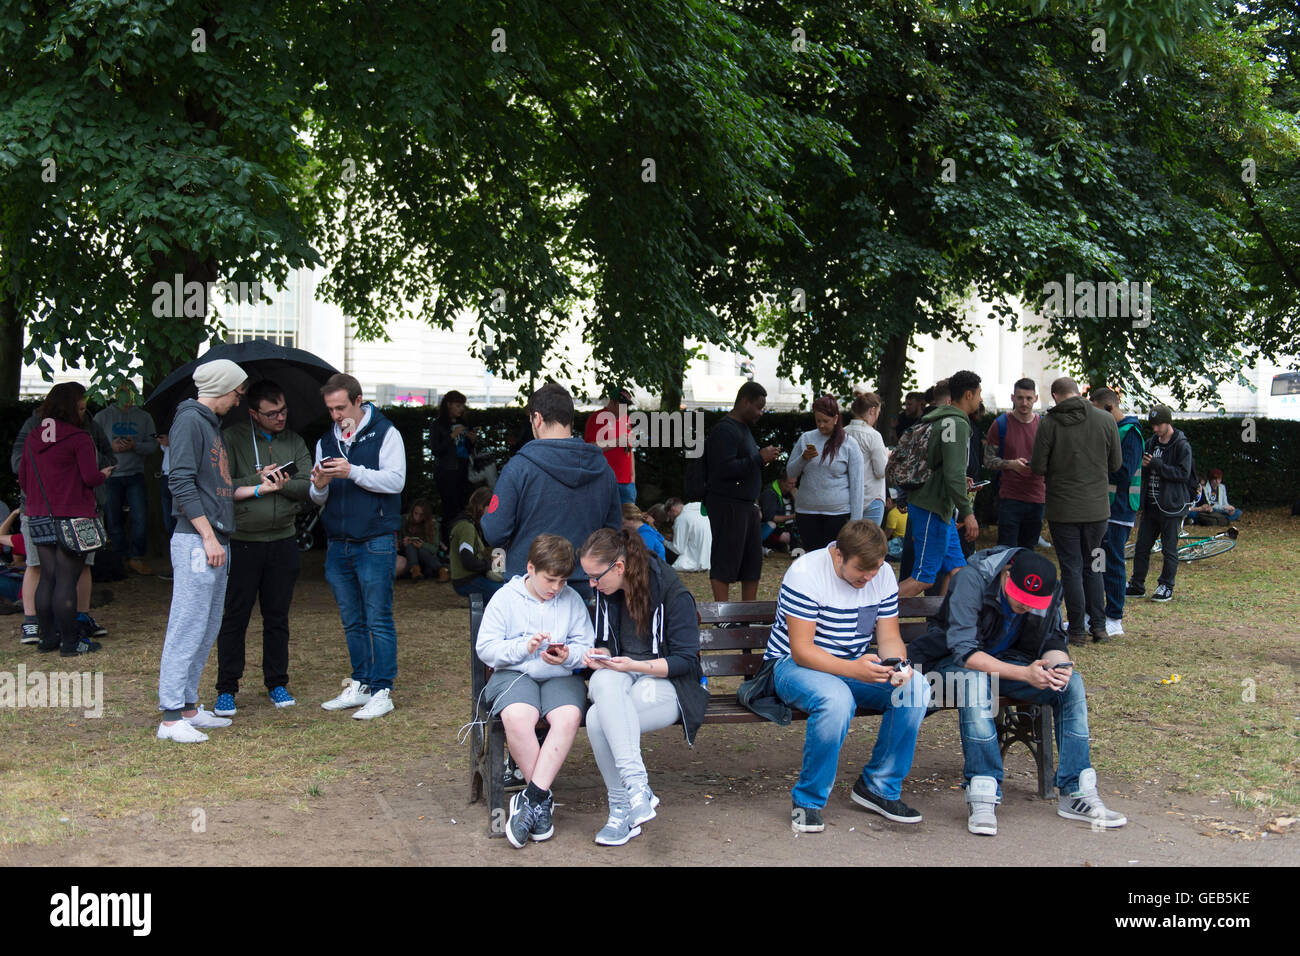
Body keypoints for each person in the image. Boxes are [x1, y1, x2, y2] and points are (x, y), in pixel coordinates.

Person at [907, 547, 1127, 835]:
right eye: (1020, 599)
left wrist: (1059, 665)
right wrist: (1025, 674)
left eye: (1033, 603)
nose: (1026, 607)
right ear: (1006, 574)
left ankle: (1077, 793)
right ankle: (983, 791)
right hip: (948, 663)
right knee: (973, 682)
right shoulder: (971, 580)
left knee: (1071, 685)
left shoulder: (1050, 588)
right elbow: (964, 652)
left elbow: (1054, 638)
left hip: (1009, 663)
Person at [761, 519, 929, 831]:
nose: (869, 577)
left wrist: (897, 664)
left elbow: (889, 634)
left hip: (853, 664)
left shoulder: (881, 575)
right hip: (792, 666)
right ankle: (808, 800)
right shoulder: (806, 573)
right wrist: (855, 670)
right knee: (836, 699)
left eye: (875, 569)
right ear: (838, 556)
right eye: (861, 570)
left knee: (916, 688)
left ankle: (879, 786)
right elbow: (801, 650)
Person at [158, 360, 281, 742]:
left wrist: (259, 486)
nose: (238, 398)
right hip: (199, 541)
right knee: (187, 625)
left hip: (214, 539)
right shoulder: (190, 422)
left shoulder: (209, 425)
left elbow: (219, 489)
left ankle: (189, 707)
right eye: (238, 391)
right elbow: (179, 481)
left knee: (207, 625)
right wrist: (208, 537)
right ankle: (169, 717)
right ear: (223, 388)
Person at [578, 526, 708, 846]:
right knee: (603, 682)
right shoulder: (608, 594)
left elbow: (686, 662)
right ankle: (636, 791)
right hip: (624, 680)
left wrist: (635, 666)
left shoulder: (670, 592)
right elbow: (608, 644)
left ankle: (623, 806)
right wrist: (602, 655)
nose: (592, 584)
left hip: (670, 684)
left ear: (619, 567)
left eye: (596, 577)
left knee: (597, 719)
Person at [475, 534, 595, 848]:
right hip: (514, 674)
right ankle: (541, 803)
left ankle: (532, 800)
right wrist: (521, 647)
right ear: (530, 568)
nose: (556, 588)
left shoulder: (571, 599)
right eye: (550, 580)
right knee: (517, 716)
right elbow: (486, 649)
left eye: (563, 581)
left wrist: (567, 655)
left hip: (559, 675)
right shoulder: (506, 597)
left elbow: (587, 647)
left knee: (568, 716)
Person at [212, 379, 314, 717]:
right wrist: (259, 481)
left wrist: (278, 485)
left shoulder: (295, 440)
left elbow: (305, 486)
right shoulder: (232, 438)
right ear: (254, 413)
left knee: (277, 617)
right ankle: (226, 688)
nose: (280, 417)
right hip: (243, 541)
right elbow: (222, 484)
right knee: (235, 617)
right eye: (272, 413)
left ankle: (277, 682)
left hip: (283, 539)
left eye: (283, 410)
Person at [311, 373, 407, 719]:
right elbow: (317, 496)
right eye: (330, 409)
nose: (335, 415)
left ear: (358, 400)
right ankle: (361, 683)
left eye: (340, 407)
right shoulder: (327, 440)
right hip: (338, 542)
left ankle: (383, 689)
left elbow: (396, 481)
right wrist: (320, 484)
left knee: (378, 618)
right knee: (352, 620)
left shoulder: (386, 432)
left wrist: (352, 471)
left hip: (376, 539)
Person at [480, 382, 621, 603]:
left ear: (536, 418)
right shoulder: (604, 470)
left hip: (528, 588)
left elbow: (495, 532)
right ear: (570, 420)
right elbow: (612, 535)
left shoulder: (519, 468)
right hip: (584, 589)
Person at [18, 383, 114, 655]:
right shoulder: (79, 438)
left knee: (47, 578)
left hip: (39, 515)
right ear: (70, 408)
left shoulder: (34, 436)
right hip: (75, 517)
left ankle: (47, 639)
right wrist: (104, 474)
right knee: (67, 581)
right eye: (81, 408)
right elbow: (90, 478)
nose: (84, 414)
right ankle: (71, 643)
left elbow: (23, 479)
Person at [1029, 377, 1121, 643]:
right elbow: (1116, 464)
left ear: (1056, 395)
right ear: (1079, 392)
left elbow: (1037, 467)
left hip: (1063, 509)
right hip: (1097, 510)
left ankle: (1078, 630)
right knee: (1095, 565)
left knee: (1071, 567)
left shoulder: (1049, 424)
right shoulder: (1105, 420)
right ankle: (1100, 627)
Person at [897, 371, 981, 599]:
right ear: (968, 394)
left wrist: (957, 479)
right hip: (932, 508)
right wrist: (968, 513)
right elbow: (953, 473)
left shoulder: (940, 418)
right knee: (922, 579)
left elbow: (941, 466)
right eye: (979, 394)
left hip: (938, 509)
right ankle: (866, 617)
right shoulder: (956, 423)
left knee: (956, 571)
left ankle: (940, 626)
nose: (980, 400)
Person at [704, 381, 781, 601]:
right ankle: (723, 618)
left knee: (751, 564)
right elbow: (722, 469)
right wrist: (759, 458)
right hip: (727, 504)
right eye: (758, 407)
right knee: (725, 561)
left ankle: (748, 615)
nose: (761, 412)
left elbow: (746, 465)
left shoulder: (744, 429)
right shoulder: (724, 430)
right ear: (744, 401)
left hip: (746, 505)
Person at [1127, 406, 1194, 604]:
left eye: (1159, 425)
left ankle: (1166, 585)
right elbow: (1144, 470)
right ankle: (1137, 584)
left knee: (1169, 549)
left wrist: (1157, 465)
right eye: (1153, 425)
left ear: (1168, 422)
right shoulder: (1150, 443)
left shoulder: (1181, 446)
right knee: (1142, 547)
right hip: (1150, 505)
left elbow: (1183, 474)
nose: (1155, 429)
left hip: (1171, 507)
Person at [1090, 388, 1142, 637]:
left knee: (1113, 562)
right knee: (1097, 560)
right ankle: (1095, 613)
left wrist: (1094, 465)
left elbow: (1124, 472)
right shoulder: (1112, 430)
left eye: (1098, 412)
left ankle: (1114, 617)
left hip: (1119, 509)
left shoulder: (1130, 434)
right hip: (1103, 507)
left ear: (1110, 408)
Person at [94, 384, 159, 575]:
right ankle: (119, 559)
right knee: (113, 518)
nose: (126, 397)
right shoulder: (102, 417)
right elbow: (90, 446)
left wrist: (135, 446)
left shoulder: (144, 417)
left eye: (129, 393)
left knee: (140, 517)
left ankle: (136, 557)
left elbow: (153, 445)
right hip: (110, 475)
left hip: (135, 474)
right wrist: (110, 448)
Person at [787, 395, 864, 551]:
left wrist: (856, 521)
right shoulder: (806, 438)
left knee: (834, 558)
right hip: (807, 512)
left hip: (837, 514)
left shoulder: (849, 444)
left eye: (825, 421)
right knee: (813, 558)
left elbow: (857, 485)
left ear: (835, 418)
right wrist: (803, 459)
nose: (821, 425)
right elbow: (790, 472)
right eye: (818, 421)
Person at [984, 379, 1046, 551]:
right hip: (1009, 497)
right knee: (1005, 551)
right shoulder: (1001, 424)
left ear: (1036, 398)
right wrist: (1011, 464)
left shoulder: (1044, 425)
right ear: (1012, 398)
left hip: (1037, 497)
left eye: (1028, 398)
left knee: (1028, 551)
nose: (1024, 403)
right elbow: (988, 460)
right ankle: (1004, 579)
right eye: (1020, 398)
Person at [429, 390, 475, 548]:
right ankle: (446, 543)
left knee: (463, 506)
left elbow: (466, 450)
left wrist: (471, 441)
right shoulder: (438, 424)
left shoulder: (464, 423)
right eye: (457, 405)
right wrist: (451, 436)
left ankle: (461, 541)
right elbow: (435, 449)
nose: (461, 409)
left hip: (462, 469)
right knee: (449, 507)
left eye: (462, 405)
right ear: (448, 405)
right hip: (446, 471)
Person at [449, 487, 505, 600]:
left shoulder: (470, 525)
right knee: (505, 593)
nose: (493, 513)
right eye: (492, 508)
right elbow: (468, 561)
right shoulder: (466, 527)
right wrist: (490, 564)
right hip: (467, 581)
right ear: (481, 507)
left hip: (470, 578)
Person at [584, 386, 638, 505]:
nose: (625, 409)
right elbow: (590, 448)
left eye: (627, 406)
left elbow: (629, 449)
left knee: (628, 521)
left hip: (627, 483)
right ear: (612, 402)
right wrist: (617, 441)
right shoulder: (596, 418)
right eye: (622, 405)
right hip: (604, 481)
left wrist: (632, 477)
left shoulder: (626, 419)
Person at [845, 392, 889, 525]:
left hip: (847, 497)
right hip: (871, 498)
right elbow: (881, 471)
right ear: (872, 410)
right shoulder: (873, 436)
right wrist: (887, 456)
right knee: (869, 543)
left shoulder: (842, 432)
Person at [396, 498, 446, 581]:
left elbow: (435, 549)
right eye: (416, 513)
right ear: (412, 511)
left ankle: (440, 570)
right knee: (410, 545)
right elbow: (397, 544)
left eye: (421, 515)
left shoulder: (433, 524)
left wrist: (423, 545)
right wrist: (403, 543)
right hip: (407, 557)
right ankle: (415, 570)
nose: (417, 517)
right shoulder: (404, 520)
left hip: (426, 559)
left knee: (420, 550)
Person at [759, 472, 798, 552]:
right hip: (774, 528)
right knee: (788, 537)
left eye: (795, 483)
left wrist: (796, 498)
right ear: (781, 482)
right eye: (790, 483)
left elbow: (801, 510)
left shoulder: (790, 492)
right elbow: (770, 517)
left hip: (789, 527)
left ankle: (781, 546)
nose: (793, 486)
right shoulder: (770, 493)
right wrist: (793, 516)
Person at [883, 488, 908, 560]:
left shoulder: (892, 513)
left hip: (900, 544)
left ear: (889, 501)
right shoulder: (905, 508)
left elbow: (886, 535)